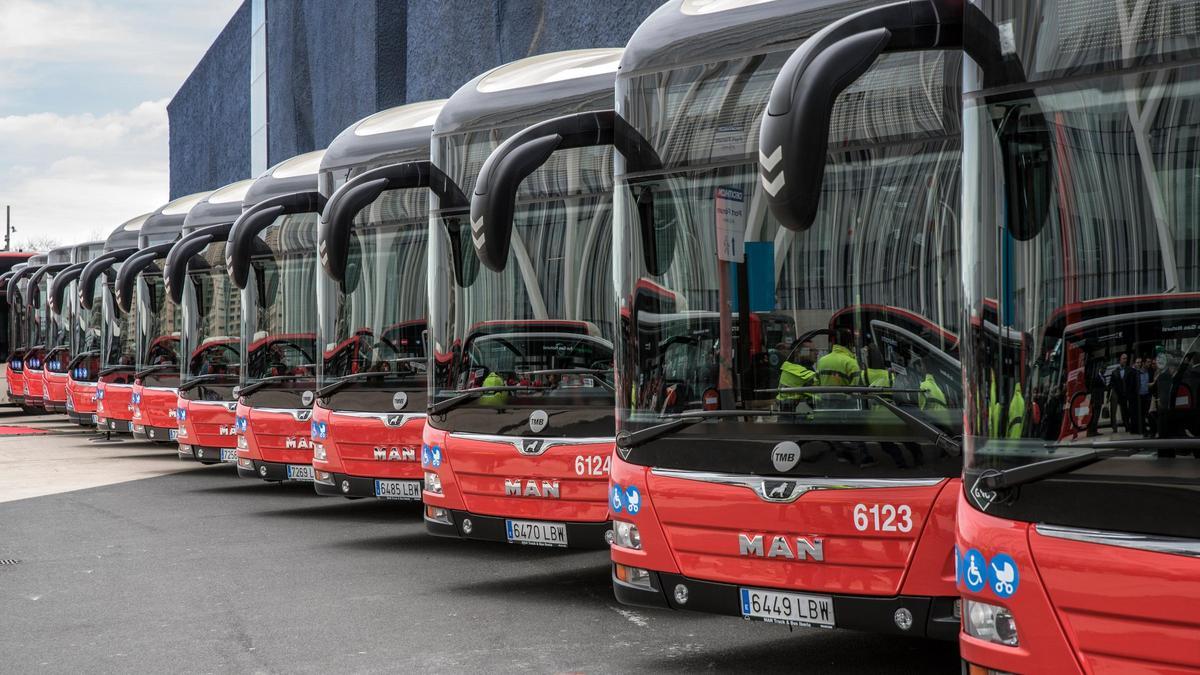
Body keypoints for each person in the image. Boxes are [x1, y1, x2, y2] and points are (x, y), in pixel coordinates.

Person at [776, 340, 817, 411]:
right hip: (794, 417)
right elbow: (819, 381)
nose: (817, 353)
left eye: (816, 350)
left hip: (791, 413)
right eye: (811, 350)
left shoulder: (792, 367)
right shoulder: (796, 371)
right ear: (798, 353)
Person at [1109, 353, 1137, 433]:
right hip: (1118, 394)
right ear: (1120, 360)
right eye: (1123, 358)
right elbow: (1112, 384)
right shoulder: (1114, 372)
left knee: (1125, 412)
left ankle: (1127, 426)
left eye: (1126, 358)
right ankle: (1114, 427)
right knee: (1114, 411)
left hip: (1126, 394)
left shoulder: (1130, 370)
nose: (1125, 360)